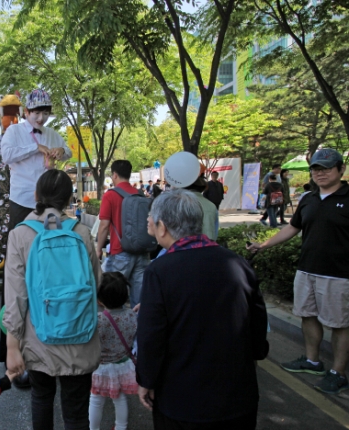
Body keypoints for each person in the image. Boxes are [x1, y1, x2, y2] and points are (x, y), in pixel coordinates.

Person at [139, 190, 269, 429]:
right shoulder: (237, 263)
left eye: (151, 219)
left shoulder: (159, 271)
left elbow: (151, 335)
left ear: (163, 227)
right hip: (238, 397)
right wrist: (256, 353)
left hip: (183, 401)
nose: (148, 222)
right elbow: (258, 321)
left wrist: (146, 380)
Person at [4, 169, 101, 430]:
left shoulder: (20, 235)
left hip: (38, 337)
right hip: (81, 335)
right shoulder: (81, 232)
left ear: (36, 195)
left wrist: (12, 346)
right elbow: (95, 282)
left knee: (42, 399)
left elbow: (15, 295)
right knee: (77, 413)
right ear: (69, 199)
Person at [248, 148, 349, 395]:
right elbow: (292, 228)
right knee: (307, 314)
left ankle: (338, 372)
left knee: (341, 324)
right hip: (306, 270)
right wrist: (263, 245)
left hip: (340, 274)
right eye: (316, 169)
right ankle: (312, 361)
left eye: (326, 168)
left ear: (341, 170)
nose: (320, 173)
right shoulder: (309, 199)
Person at [0, 89, 72, 387]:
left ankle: (50, 350)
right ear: (26, 111)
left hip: (50, 205)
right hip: (22, 202)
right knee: (16, 274)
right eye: (36, 112)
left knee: (50, 270)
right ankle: (13, 357)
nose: (40, 117)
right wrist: (36, 149)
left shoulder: (53, 133)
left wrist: (57, 152)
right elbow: (6, 156)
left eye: (45, 112)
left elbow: (66, 151)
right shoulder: (15, 131)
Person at [97, 160, 150, 307]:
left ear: (114, 175)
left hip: (120, 251)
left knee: (111, 295)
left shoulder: (110, 195)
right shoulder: (139, 194)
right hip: (142, 251)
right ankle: (137, 327)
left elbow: (104, 225)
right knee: (139, 301)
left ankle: (115, 328)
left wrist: (98, 250)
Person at [89, 272, 138, 430]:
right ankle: (121, 427)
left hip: (102, 367)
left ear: (99, 300)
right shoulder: (132, 316)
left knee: (96, 400)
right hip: (123, 364)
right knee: (120, 398)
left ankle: (93, 428)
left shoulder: (100, 320)